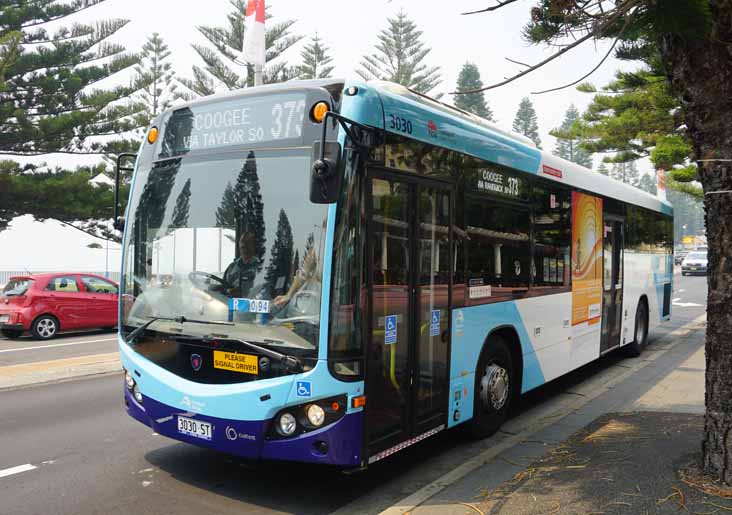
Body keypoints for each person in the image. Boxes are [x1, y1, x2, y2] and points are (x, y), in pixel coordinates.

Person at [223, 233, 259, 297]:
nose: (244, 245)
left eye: (248, 242)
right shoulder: (231, 267)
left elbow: (264, 291)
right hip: (230, 305)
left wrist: (243, 293)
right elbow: (223, 287)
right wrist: (228, 291)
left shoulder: (261, 267)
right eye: (242, 242)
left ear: (254, 246)